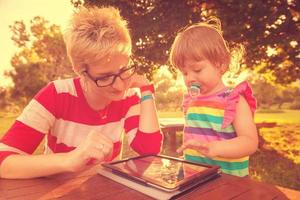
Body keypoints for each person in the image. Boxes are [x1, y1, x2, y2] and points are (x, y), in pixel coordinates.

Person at [0, 6, 162, 179]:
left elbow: (148, 150)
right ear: (80, 71)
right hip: (55, 191)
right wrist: (69, 160)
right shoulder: (56, 94)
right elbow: (4, 161)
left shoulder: (129, 96)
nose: (120, 86)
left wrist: (146, 91)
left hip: (104, 191)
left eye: (123, 70)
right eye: (105, 77)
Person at [169, 18, 258, 177]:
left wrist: (215, 148)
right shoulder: (191, 100)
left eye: (197, 70)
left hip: (228, 183)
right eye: (185, 73)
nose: (189, 78)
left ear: (221, 64)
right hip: (193, 177)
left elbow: (250, 142)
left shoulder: (233, 100)